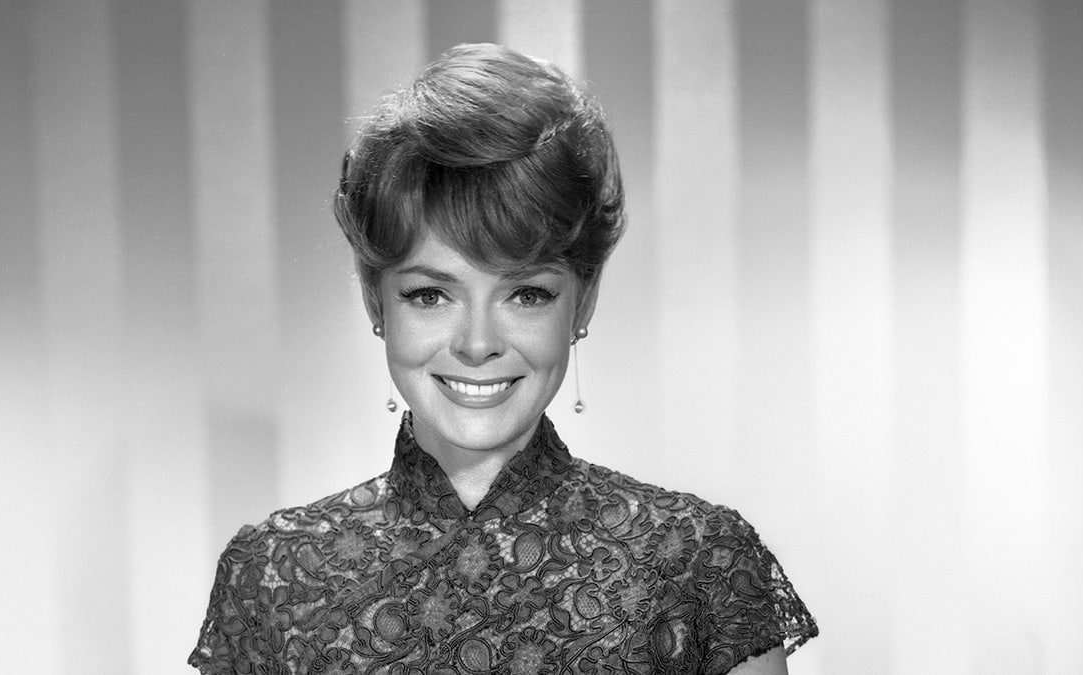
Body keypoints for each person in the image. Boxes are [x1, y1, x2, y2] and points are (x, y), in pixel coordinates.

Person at [190, 43, 817, 674]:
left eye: (526, 294)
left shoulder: (700, 565)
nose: (477, 342)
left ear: (583, 301)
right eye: (430, 294)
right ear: (375, 301)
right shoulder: (270, 579)